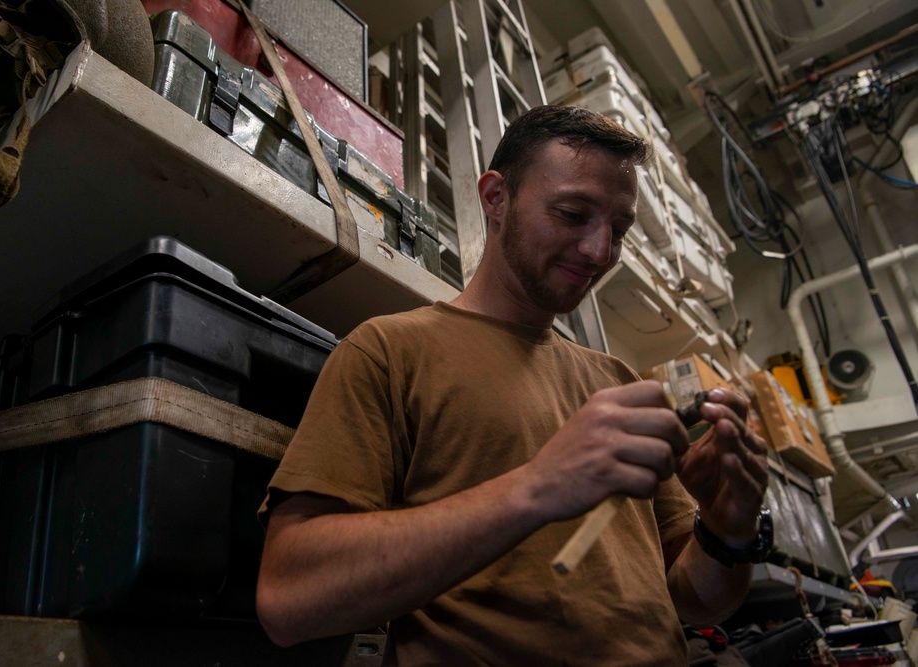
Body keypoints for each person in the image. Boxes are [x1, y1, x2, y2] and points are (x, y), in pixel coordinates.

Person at [255, 105, 770, 666]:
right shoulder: (388, 352)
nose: (600, 252)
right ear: (497, 197)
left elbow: (696, 602)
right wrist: (538, 487)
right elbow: (290, 600)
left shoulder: (616, 382)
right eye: (574, 214)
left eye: (618, 230)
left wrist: (728, 528)